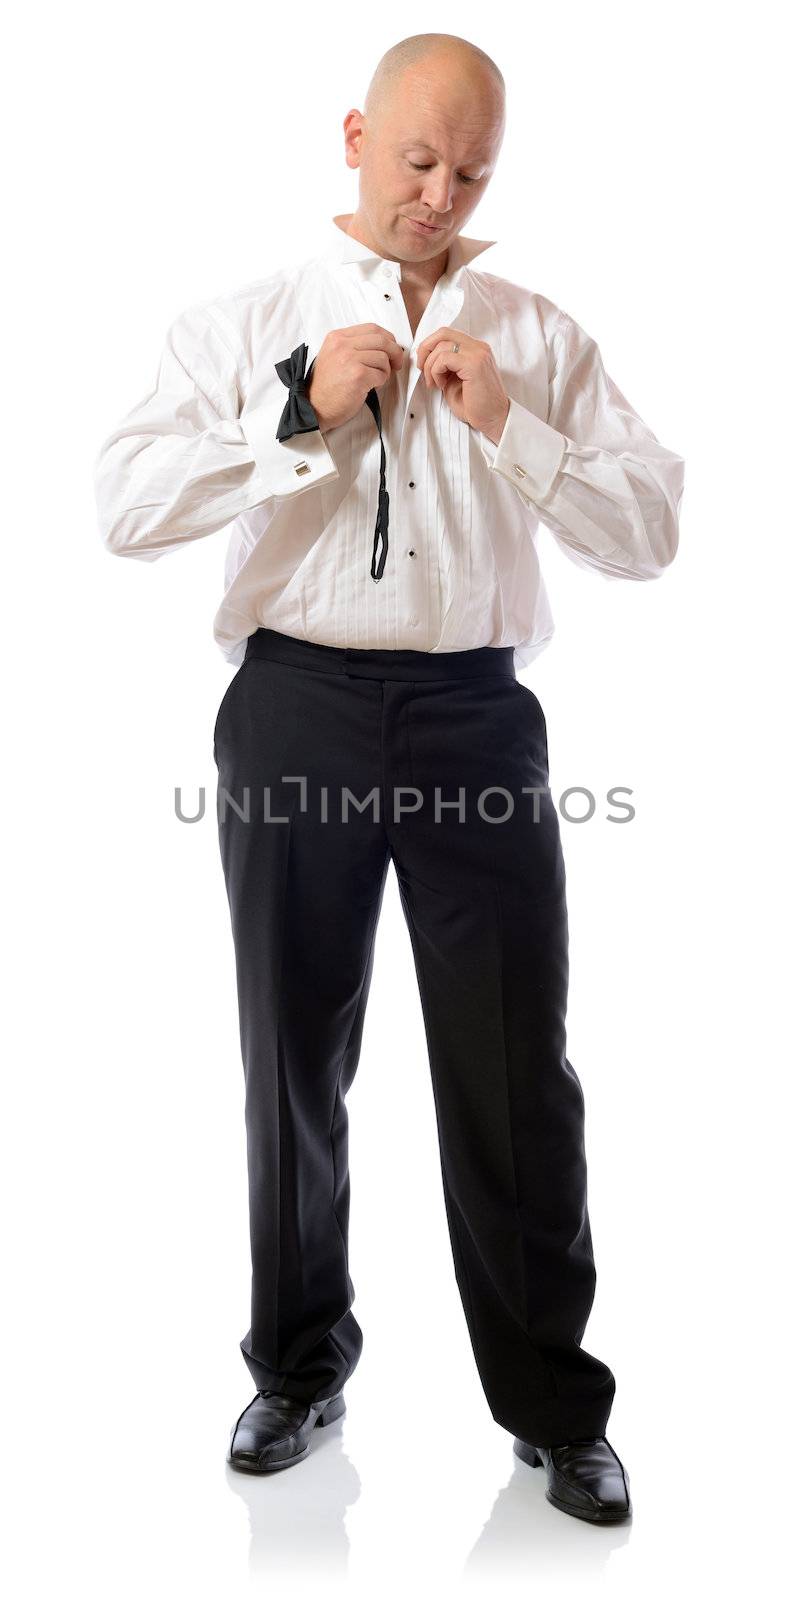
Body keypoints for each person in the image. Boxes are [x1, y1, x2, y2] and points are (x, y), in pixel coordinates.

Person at [93, 31, 683, 1525]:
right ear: (355, 135)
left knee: (512, 1069)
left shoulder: (535, 335)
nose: (438, 192)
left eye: (470, 169)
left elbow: (647, 533)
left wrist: (511, 424)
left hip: (476, 720)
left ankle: (554, 1408)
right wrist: (287, 418)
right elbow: (123, 504)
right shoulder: (249, 319)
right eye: (415, 159)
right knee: (292, 1053)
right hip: (292, 702)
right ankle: (296, 1372)